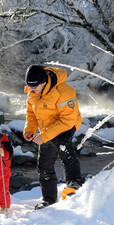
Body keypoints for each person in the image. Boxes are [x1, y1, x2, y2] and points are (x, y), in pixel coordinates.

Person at [23, 64, 83, 210]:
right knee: (44, 163)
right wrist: (29, 129)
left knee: (64, 146)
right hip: (47, 127)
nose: (31, 89)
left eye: (34, 86)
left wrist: (44, 136)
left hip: (67, 125)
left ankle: (74, 184)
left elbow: (67, 121)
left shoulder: (64, 92)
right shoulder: (32, 92)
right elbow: (31, 113)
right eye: (29, 86)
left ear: (44, 82)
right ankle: (49, 199)